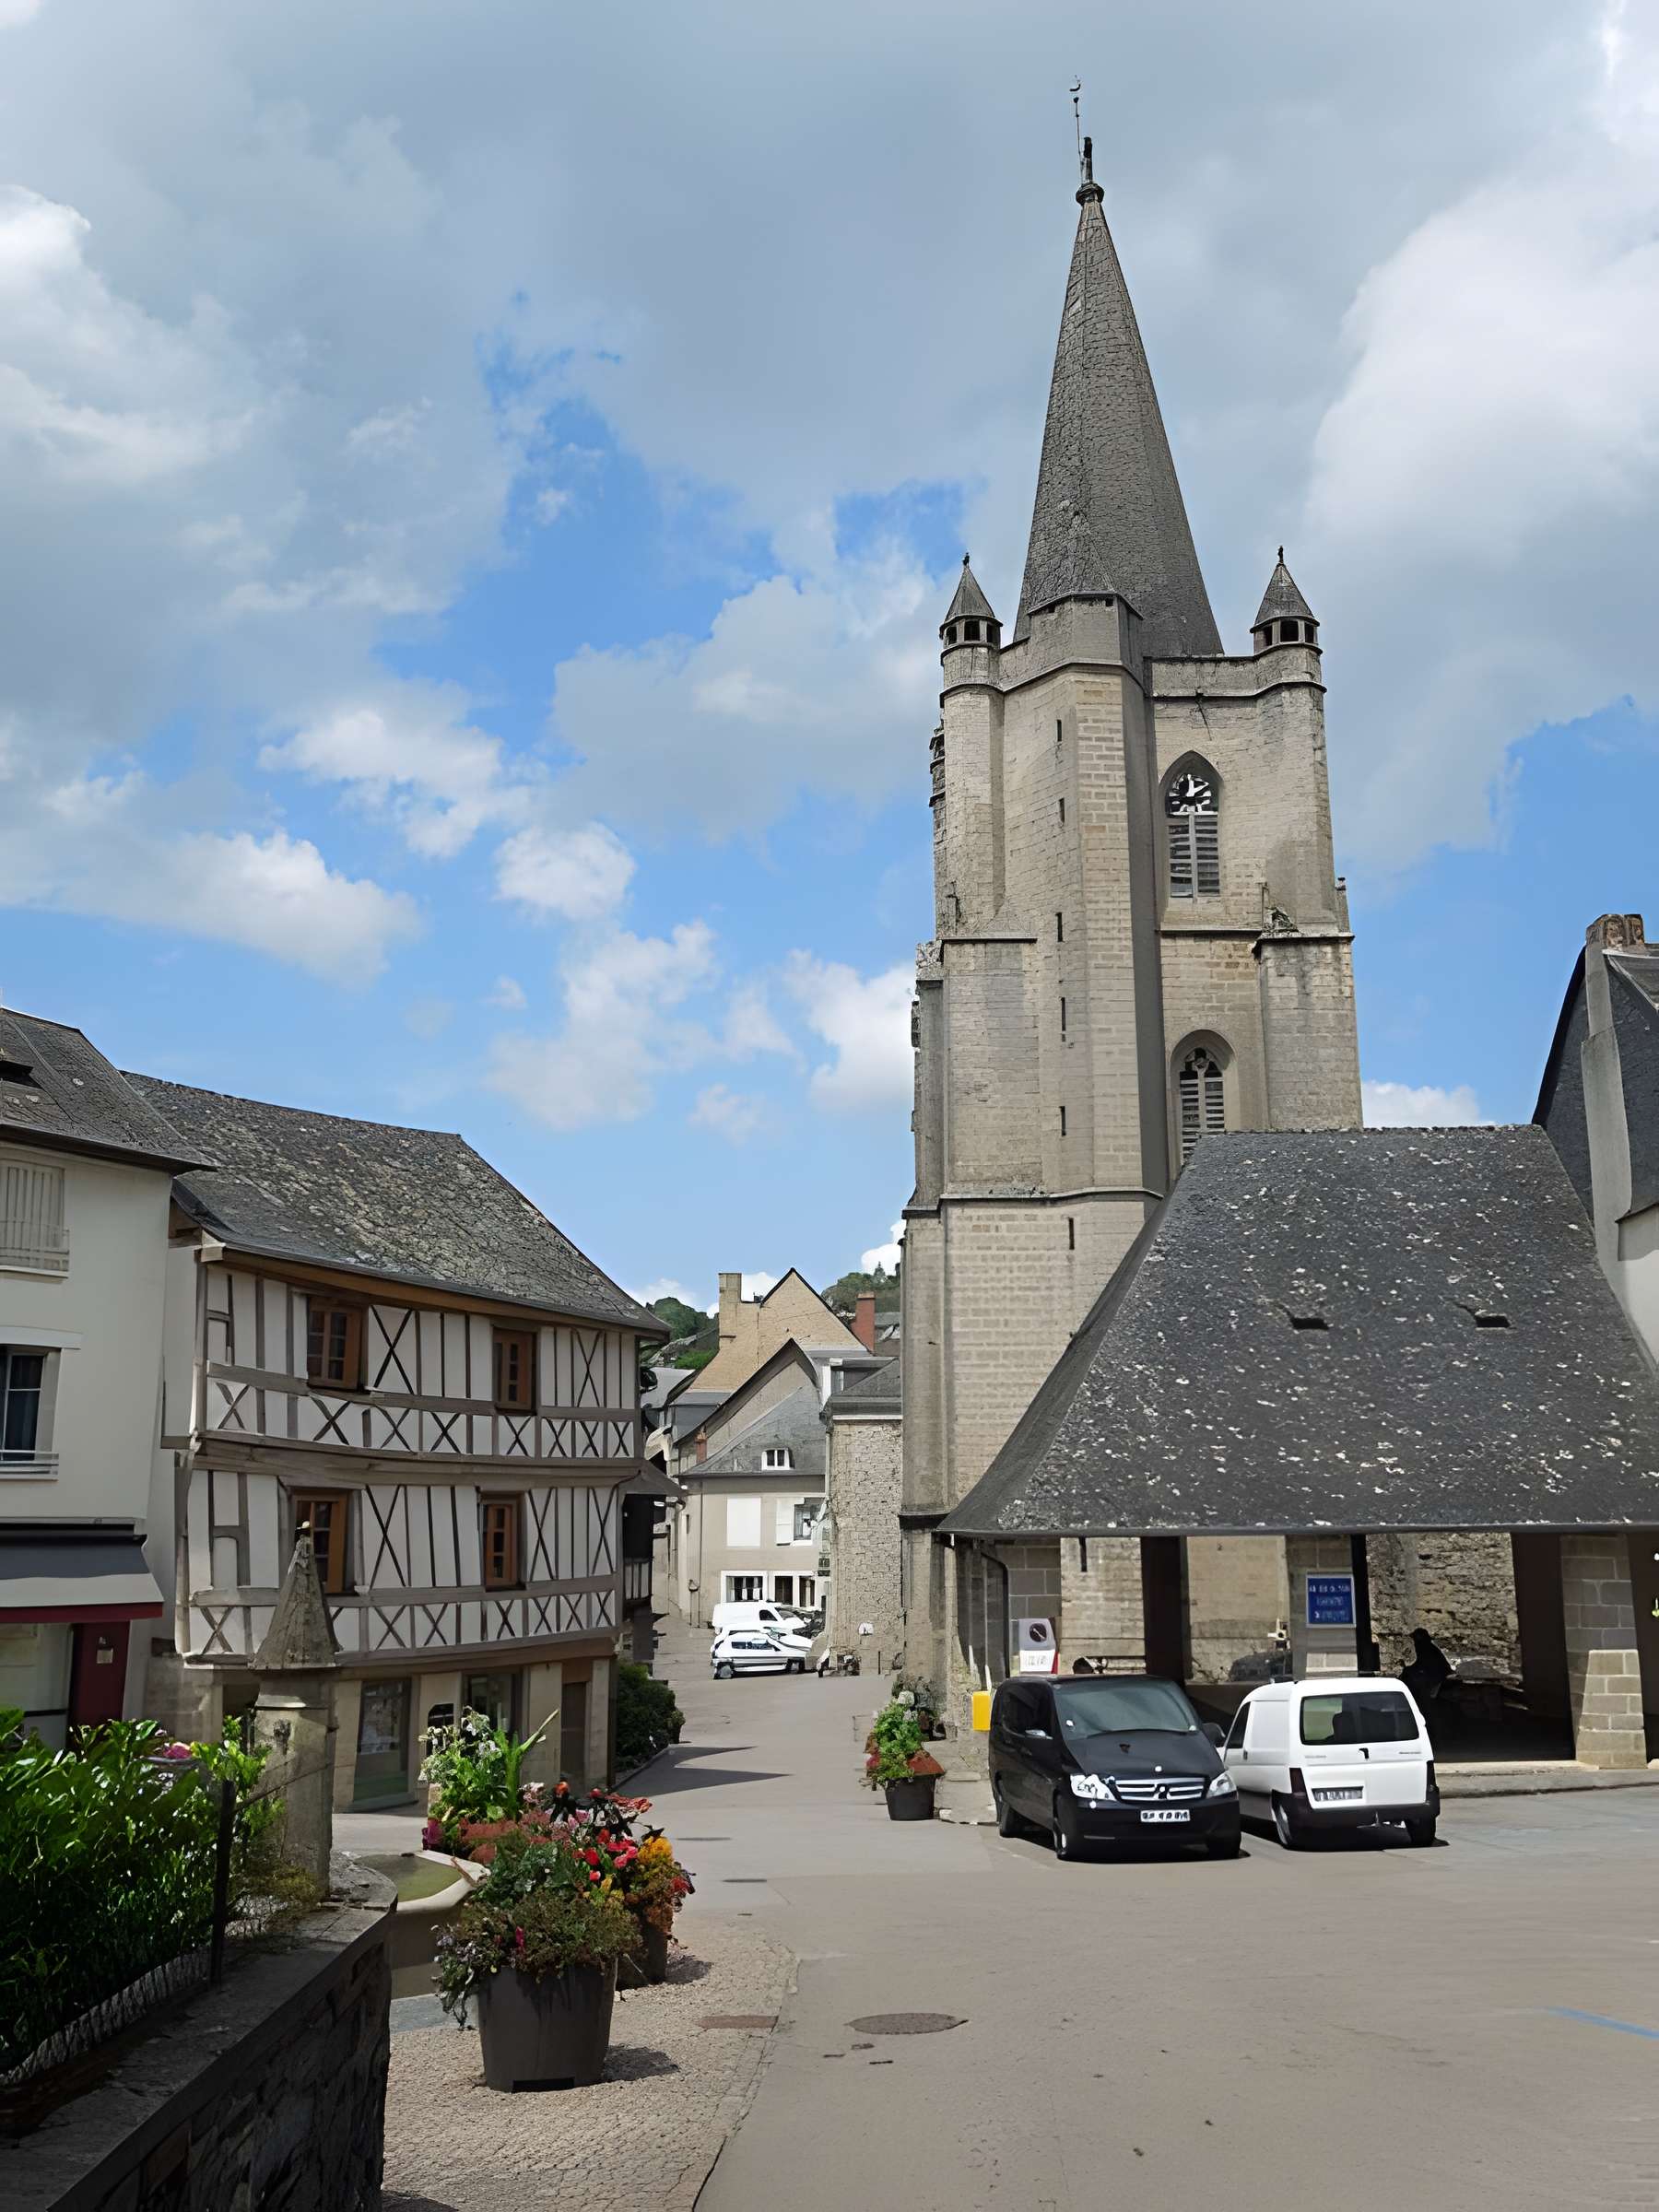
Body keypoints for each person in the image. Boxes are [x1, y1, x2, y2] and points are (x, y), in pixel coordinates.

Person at [1402, 1626, 1453, 1706]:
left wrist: (1408, 1669)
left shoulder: (1424, 1647)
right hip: (1437, 1674)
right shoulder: (1427, 1646)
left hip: (1436, 1676)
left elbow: (1424, 1663)